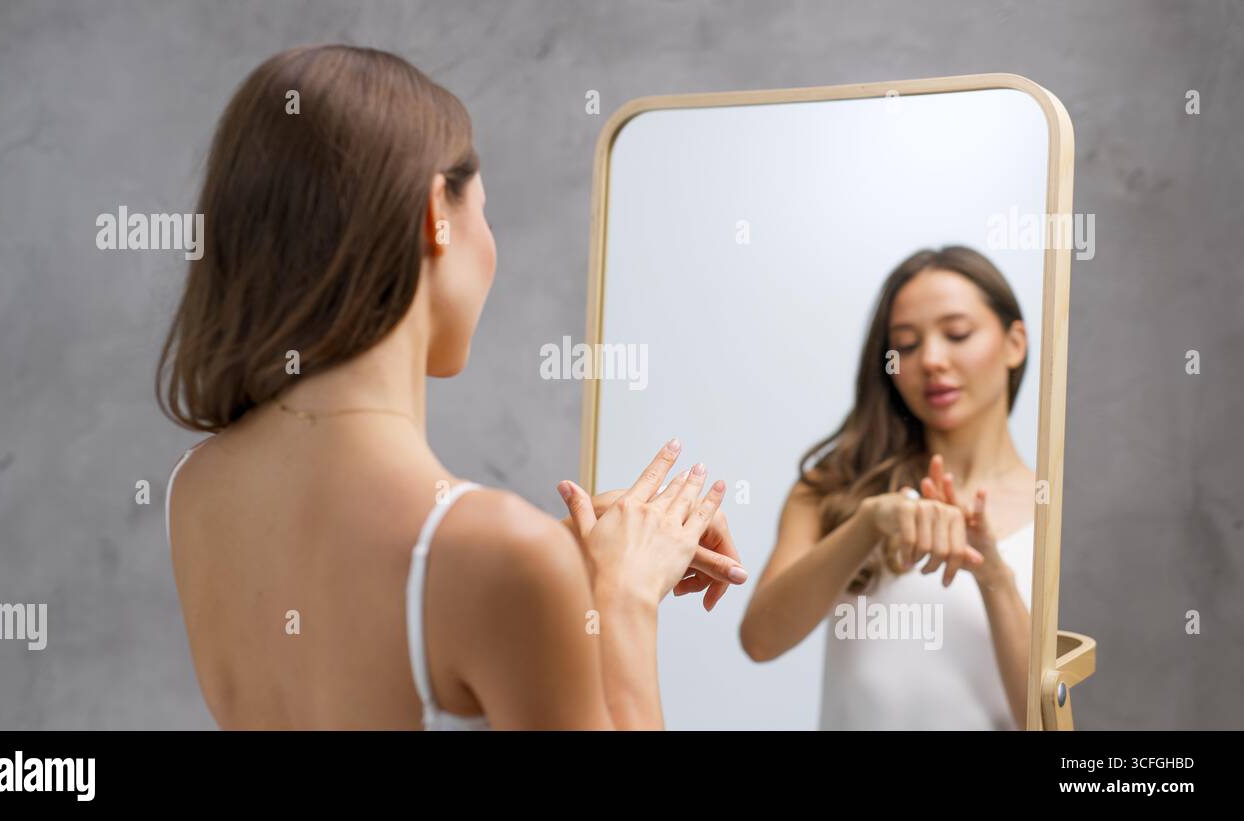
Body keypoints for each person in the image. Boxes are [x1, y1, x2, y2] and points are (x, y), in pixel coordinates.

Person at [158, 45, 747, 730]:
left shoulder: (194, 489)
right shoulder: (500, 555)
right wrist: (620, 598)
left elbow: (372, 607)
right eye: (485, 211)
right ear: (436, 211)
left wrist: (560, 559)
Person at [740, 246, 1035, 730]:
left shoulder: (1062, 516)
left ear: (1014, 343)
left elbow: (1048, 722)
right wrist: (867, 526)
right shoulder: (832, 489)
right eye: (908, 345)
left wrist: (993, 577)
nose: (932, 361)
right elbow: (760, 640)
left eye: (957, 333)